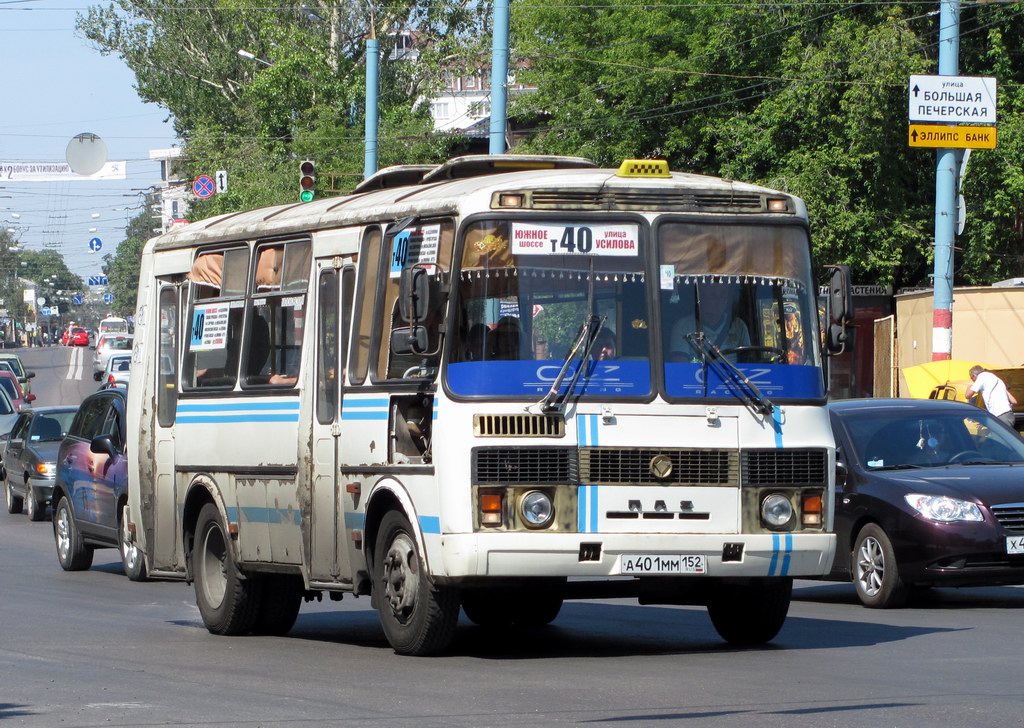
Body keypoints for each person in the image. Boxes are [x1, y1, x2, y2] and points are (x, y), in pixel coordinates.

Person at [967, 365, 1017, 429]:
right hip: (1008, 415)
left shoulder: (982, 377)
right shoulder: (998, 380)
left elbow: (967, 396)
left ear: (974, 375)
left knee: (998, 438)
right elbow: (1014, 401)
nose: (973, 381)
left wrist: (969, 387)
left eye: (971, 378)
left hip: (1000, 416)